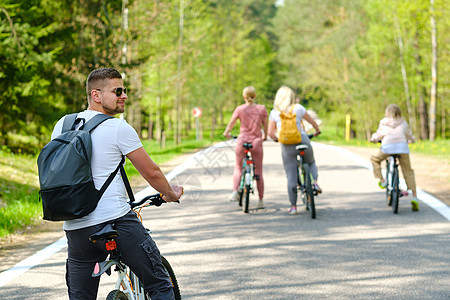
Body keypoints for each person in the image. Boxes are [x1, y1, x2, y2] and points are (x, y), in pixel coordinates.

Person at [50, 68, 183, 300]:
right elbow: (151, 172)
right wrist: (170, 193)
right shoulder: (118, 127)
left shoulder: (63, 124)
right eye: (117, 91)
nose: (125, 96)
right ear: (96, 95)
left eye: (125, 90)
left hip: (76, 229)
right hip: (116, 223)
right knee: (160, 286)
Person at [268, 86, 321, 215]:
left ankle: (293, 207)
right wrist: (317, 131)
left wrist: (277, 139)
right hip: (302, 139)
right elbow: (312, 122)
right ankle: (314, 183)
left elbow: (270, 133)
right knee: (311, 161)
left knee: (291, 174)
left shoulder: (275, 112)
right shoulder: (298, 108)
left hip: (287, 144)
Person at [223, 86, 268, 208]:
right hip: (257, 142)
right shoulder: (261, 109)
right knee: (258, 171)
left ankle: (234, 192)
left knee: (238, 167)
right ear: (255, 95)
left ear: (244, 96)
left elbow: (231, 123)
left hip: (242, 141)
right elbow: (265, 126)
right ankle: (260, 201)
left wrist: (227, 133)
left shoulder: (240, 109)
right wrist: (265, 136)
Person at [370, 104, 419, 211]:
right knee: (408, 171)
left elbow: (378, 135)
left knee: (374, 159)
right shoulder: (403, 123)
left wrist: (373, 138)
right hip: (402, 148)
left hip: (387, 148)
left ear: (388, 112)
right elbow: (409, 135)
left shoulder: (384, 122)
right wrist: (412, 140)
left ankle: (382, 180)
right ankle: (414, 197)